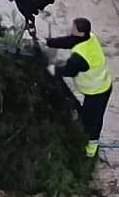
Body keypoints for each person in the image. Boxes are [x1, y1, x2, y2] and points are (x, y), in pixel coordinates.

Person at [45, 15, 113, 159]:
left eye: (73, 28)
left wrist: (52, 70)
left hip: (97, 91)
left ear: (80, 33)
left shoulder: (80, 57)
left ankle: (90, 150)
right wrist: (48, 43)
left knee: (93, 121)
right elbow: (69, 41)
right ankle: (84, 131)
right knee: (88, 116)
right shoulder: (89, 37)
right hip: (101, 86)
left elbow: (69, 70)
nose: (71, 29)